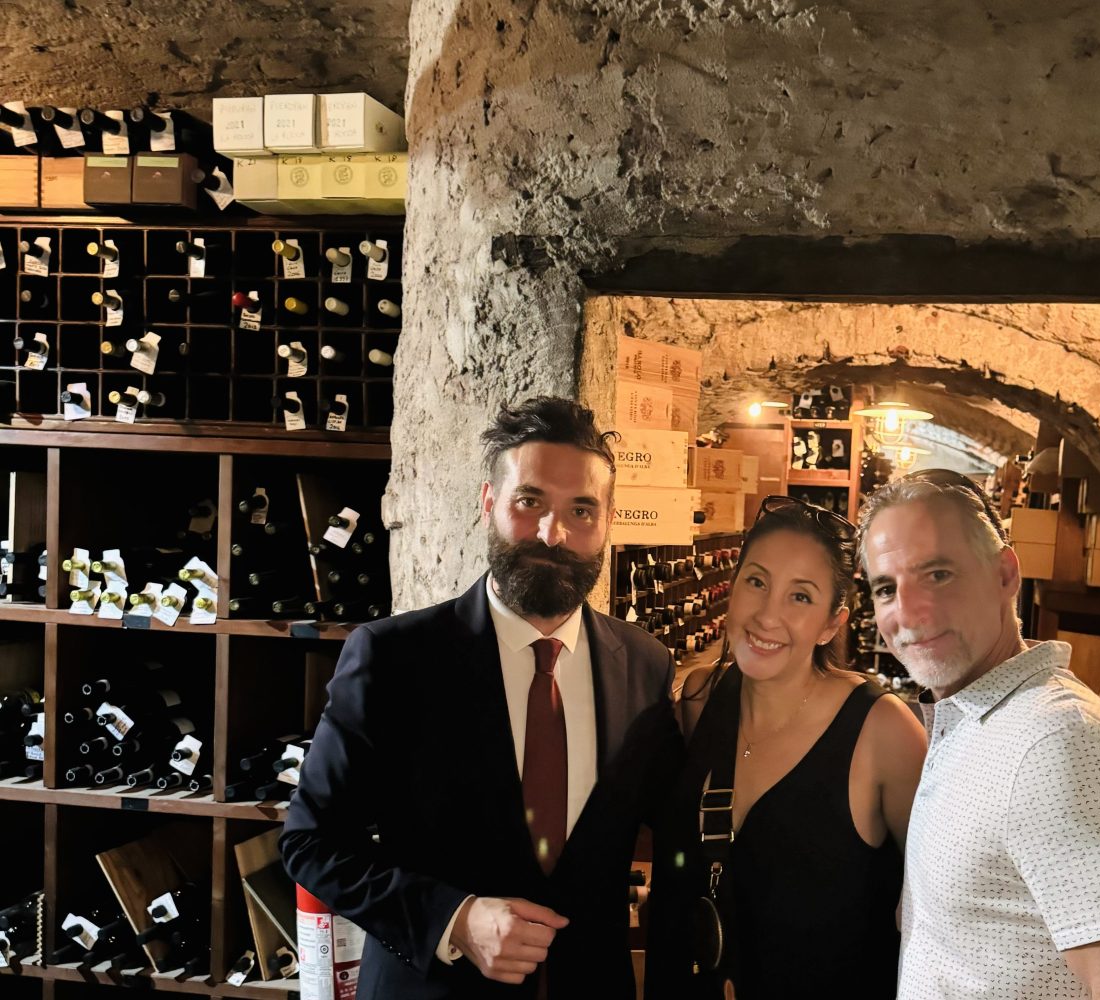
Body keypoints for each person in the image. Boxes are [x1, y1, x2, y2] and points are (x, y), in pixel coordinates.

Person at [280, 397, 682, 999]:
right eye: (530, 501)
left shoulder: (645, 665)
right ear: (488, 502)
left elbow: (679, 827)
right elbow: (310, 843)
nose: (555, 533)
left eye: (581, 509)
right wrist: (455, 919)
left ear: (608, 520)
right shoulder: (393, 658)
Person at [856, 469, 1100, 1000]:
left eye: (938, 574)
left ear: (1006, 574)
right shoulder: (975, 719)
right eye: (886, 588)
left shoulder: (1063, 745)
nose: (909, 613)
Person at [645, 495, 927, 999]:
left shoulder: (882, 731)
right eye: (757, 582)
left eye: (800, 597)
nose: (767, 616)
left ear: (831, 624)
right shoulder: (699, 697)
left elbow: (937, 910)